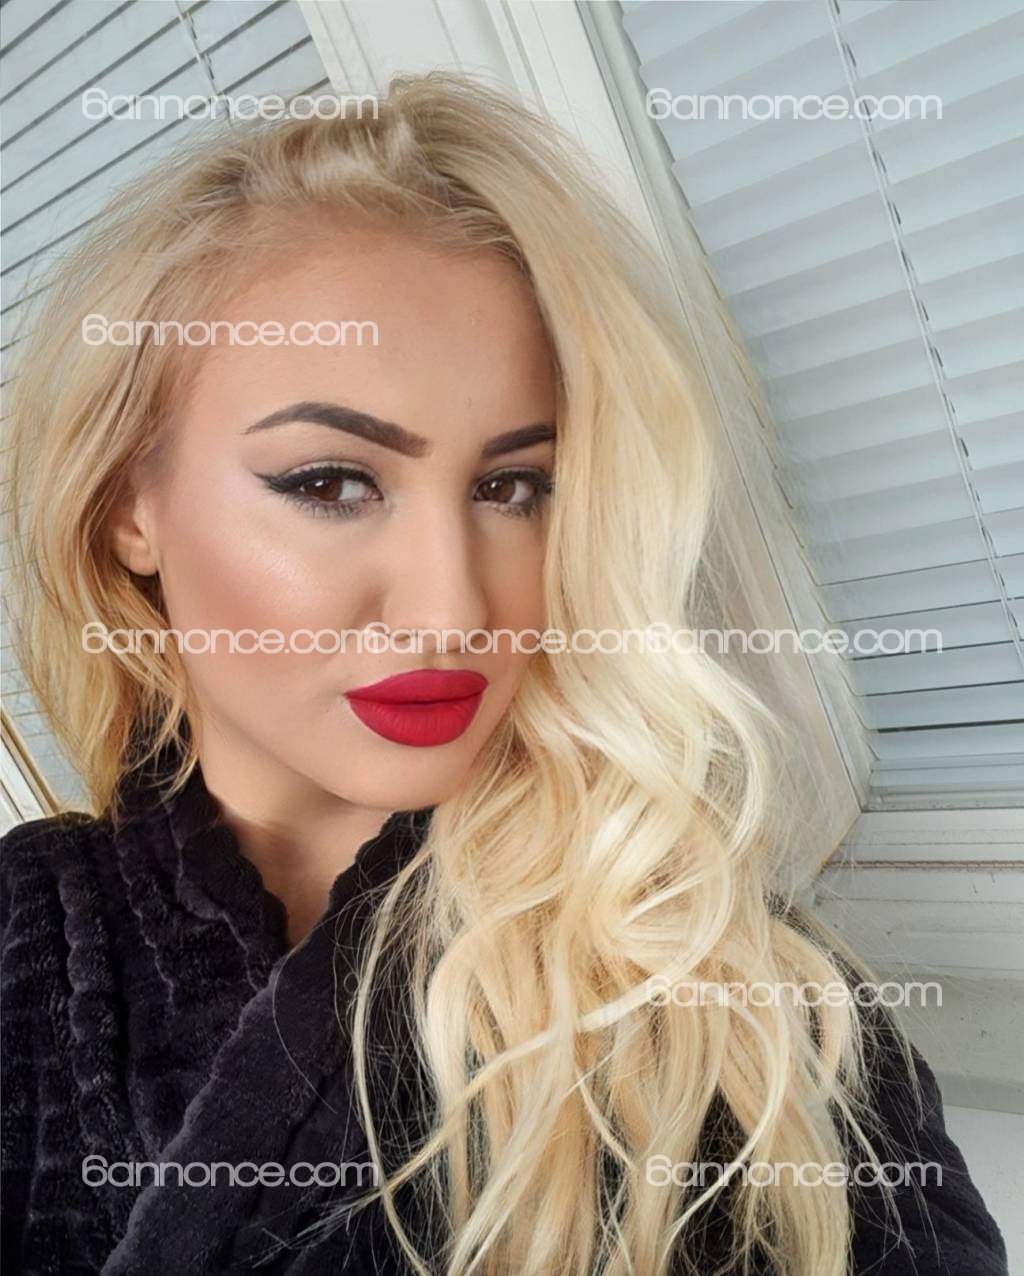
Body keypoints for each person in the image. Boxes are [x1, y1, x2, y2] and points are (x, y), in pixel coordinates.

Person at [1, 72, 1008, 1276]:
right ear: (130, 508)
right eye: (331, 482)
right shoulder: (29, 931)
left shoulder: (719, 981)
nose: (452, 610)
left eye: (513, 486)